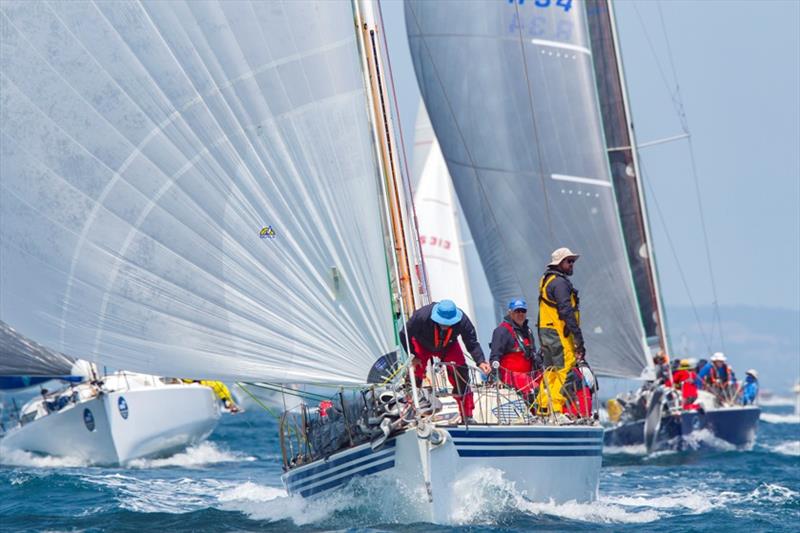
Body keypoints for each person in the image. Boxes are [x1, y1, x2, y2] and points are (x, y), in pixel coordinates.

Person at [399, 300, 489, 423]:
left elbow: (471, 342)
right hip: (422, 344)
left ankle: (467, 415)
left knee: (461, 373)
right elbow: (404, 333)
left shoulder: (463, 321)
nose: (445, 325)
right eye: (442, 322)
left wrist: (481, 361)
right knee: (416, 371)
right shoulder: (422, 315)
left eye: (449, 323)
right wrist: (413, 355)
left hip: (448, 346)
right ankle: (410, 410)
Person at [536, 247, 585, 416]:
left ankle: (543, 409)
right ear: (559, 263)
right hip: (559, 332)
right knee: (566, 369)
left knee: (550, 371)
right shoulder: (560, 283)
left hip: (545, 332)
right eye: (568, 261)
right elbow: (566, 311)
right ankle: (556, 410)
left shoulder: (546, 280)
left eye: (572, 261)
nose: (572, 265)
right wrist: (579, 339)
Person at [489, 298, 540, 399]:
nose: (520, 314)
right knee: (535, 389)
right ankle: (538, 413)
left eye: (523, 311)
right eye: (517, 311)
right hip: (509, 375)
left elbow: (533, 353)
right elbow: (494, 357)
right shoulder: (502, 331)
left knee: (552, 382)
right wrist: (496, 378)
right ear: (510, 313)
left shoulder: (527, 330)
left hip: (529, 373)